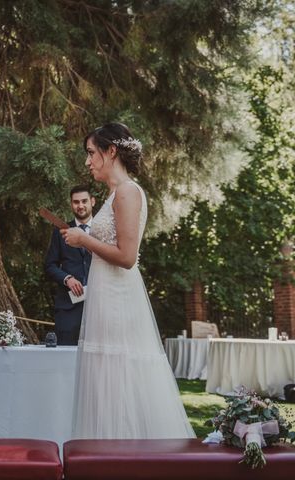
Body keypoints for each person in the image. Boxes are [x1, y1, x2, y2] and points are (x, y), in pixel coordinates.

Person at [61, 123, 195, 439]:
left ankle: (128, 454)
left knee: (120, 375)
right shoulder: (112, 195)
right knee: (106, 376)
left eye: (92, 153)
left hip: (119, 300)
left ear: (111, 151)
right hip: (105, 298)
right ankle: (105, 455)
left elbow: (127, 256)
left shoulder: (128, 192)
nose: (87, 161)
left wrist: (84, 240)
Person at [44, 186, 95, 345]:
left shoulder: (103, 230)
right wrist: (67, 279)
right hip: (68, 307)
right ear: (71, 204)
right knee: (66, 356)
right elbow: (50, 265)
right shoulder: (60, 231)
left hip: (99, 305)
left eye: (84, 201)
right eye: (76, 202)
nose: (80, 205)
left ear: (92, 202)